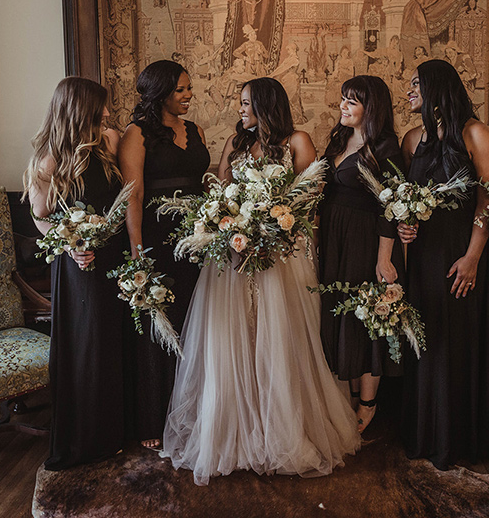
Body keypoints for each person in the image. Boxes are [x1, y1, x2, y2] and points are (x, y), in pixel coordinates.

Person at [163, 77, 361, 485]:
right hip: (234, 257)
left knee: (279, 338)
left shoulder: (297, 142)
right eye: (238, 102)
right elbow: (218, 190)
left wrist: (272, 228)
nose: (240, 109)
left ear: (267, 104)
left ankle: (284, 431)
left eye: (246, 102)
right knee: (233, 342)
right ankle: (233, 431)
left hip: (282, 258)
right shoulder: (234, 145)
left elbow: (310, 200)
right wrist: (230, 223)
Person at [397, 59, 489, 470]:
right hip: (424, 256)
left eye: (415, 84)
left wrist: (473, 256)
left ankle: (457, 439)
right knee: (426, 340)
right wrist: (407, 226)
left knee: (456, 343)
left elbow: (487, 201)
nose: (409, 91)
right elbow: (408, 197)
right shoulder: (413, 138)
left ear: (437, 88)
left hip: (462, 252)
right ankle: (424, 433)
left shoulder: (476, 133)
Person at [24, 77, 125, 470]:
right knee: (89, 349)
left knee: (114, 343)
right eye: (101, 106)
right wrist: (72, 244)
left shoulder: (108, 142)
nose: (107, 113)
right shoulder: (50, 161)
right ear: (78, 108)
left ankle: (117, 431)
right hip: (81, 266)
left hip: (114, 258)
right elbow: (41, 219)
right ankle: (88, 439)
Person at [118, 60, 211, 449]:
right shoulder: (136, 134)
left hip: (201, 240)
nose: (189, 95)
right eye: (181, 90)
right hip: (158, 240)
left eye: (189, 88)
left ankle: (197, 410)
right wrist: (138, 253)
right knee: (162, 329)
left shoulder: (196, 130)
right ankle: (156, 418)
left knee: (199, 323)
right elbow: (133, 196)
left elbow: (205, 184)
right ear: (160, 93)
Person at [318, 75, 405, 433]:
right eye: (343, 99)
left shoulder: (387, 148)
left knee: (367, 320)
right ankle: (350, 399)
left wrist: (384, 258)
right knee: (343, 320)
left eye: (351, 102)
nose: (342, 106)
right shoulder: (339, 139)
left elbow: (392, 206)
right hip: (335, 240)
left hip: (367, 241)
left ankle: (368, 405)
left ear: (372, 108)